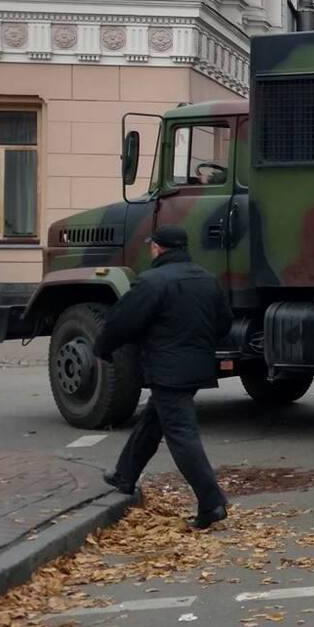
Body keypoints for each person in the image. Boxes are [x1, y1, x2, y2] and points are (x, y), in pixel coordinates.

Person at [100, 226, 233, 529]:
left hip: (167, 368)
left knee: (181, 434)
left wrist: (103, 348)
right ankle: (124, 475)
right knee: (154, 420)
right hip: (195, 367)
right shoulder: (205, 279)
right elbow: (223, 322)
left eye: (152, 247)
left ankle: (211, 503)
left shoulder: (152, 281)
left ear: (159, 249)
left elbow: (122, 321)